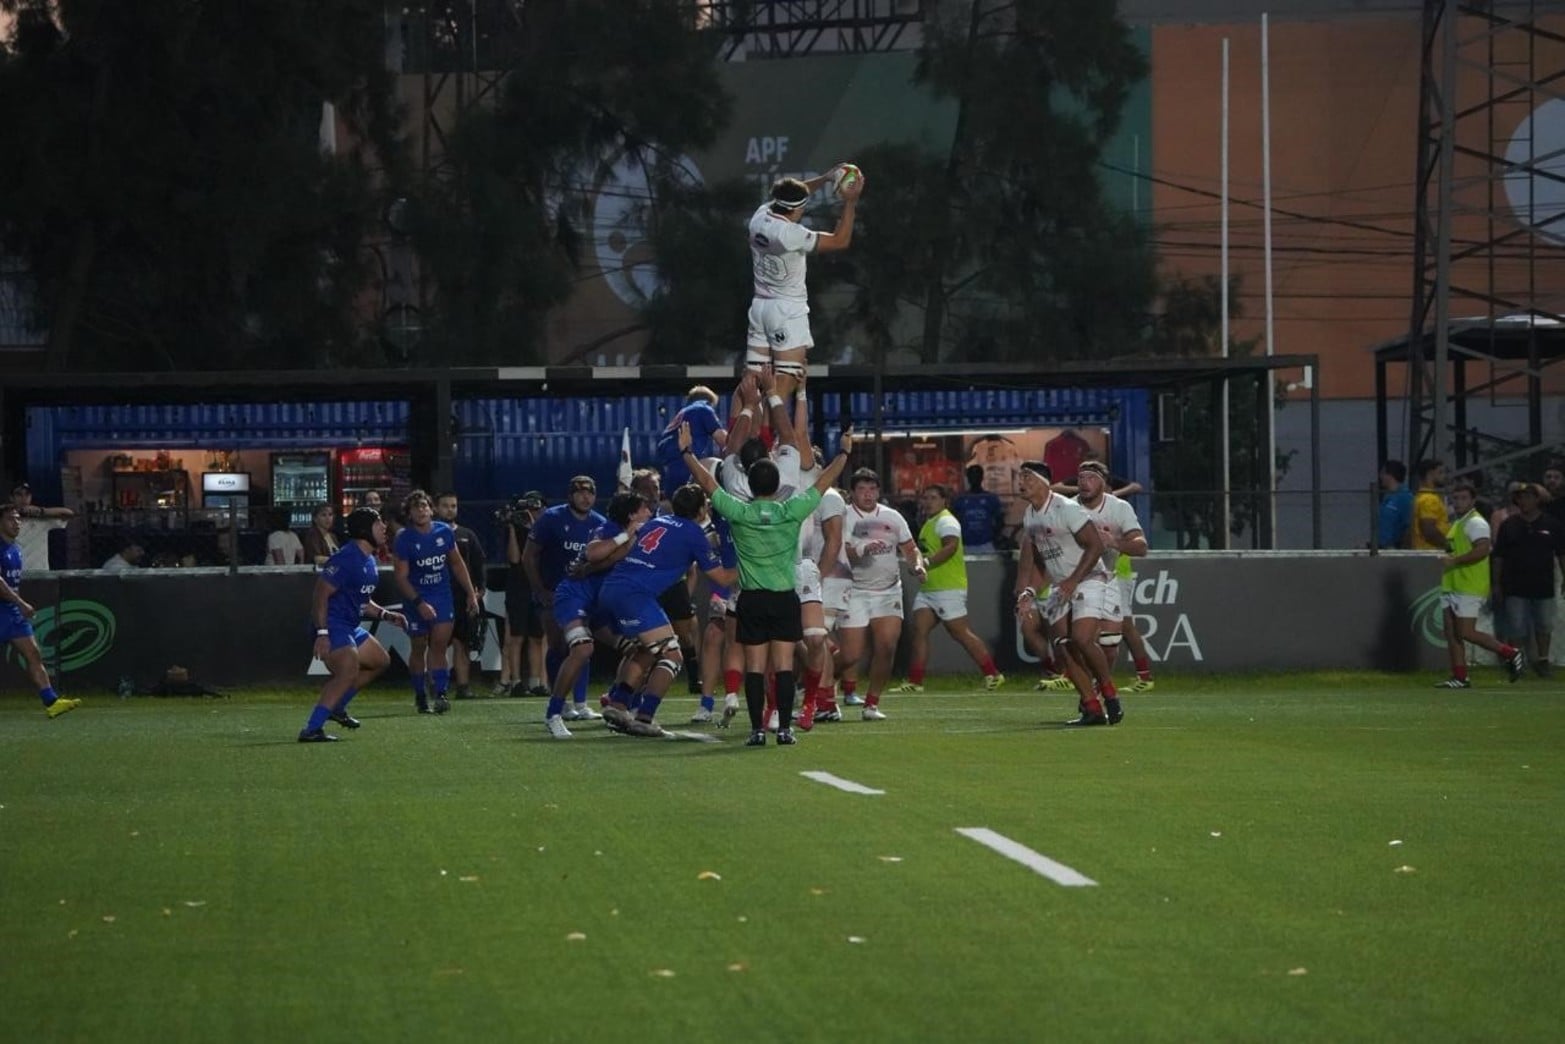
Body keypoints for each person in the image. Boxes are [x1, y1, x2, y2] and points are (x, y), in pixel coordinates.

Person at [681, 422, 853, 746]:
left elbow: (707, 483)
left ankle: (758, 730)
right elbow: (824, 480)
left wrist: (687, 452)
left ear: (750, 484)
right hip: (784, 598)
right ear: (776, 486)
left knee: (756, 669)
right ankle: (785, 730)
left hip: (751, 600)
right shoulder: (791, 511)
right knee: (784, 666)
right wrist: (843, 452)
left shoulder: (740, 512)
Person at [596, 483, 738, 737]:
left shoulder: (656, 522)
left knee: (647, 649)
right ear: (701, 509)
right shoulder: (694, 533)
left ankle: (618, 704)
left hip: (613, 587)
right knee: (673, 655)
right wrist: (751, 561)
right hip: (636, 594)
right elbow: (722, 578)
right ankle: (645, 717)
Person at [1012, 460, 1121, 726]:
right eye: (1020, 477)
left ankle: (1109, 693)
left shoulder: (1067, 508)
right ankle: (1092, 708)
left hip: (1089, 578)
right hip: (1063, 584)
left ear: (1043, 482)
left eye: (1027, 476)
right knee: (1063, 646)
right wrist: (1028, 590)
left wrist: (1073, 579)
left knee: (1082, 639)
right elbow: (1041, 560)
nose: (1021, 482)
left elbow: (1095, 546)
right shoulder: (1030, 515)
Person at [743, 166, 863, 400]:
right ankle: (768, 436)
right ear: (796, 209)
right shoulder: (790, 234)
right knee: (784, 381)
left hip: (760, 307)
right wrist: (850, 202)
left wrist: (827, 178)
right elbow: (840, 241)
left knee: (752, 379)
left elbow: (796, 195)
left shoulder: (760, 216)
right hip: (786, 311)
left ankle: (743, 432)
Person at [542, 491, 650, 739]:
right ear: (632, 514)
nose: (649, 512)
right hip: (574, 596)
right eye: (644, 508)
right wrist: (627, 534)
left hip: (601, 602)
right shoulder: (610, 528)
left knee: (640, 648)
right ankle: (554, 713)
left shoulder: (640, 534)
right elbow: (593, 553)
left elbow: (609, 561)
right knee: (582, 649)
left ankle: (619, 705)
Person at [298, 508, 407, 742]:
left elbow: (362, 601)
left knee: (380, 661)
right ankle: (312, 729)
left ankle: (337, 707)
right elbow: (320, 595)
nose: (384, 528)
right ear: (364, 530)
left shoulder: (368, 559)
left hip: (348, 625)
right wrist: (323, 632)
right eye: (379, 524)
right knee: (347, 672)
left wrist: (386, 615)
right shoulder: (346, 558)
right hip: (333, 624)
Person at [891, 484, 1005, 694]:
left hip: (948, 588)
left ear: (945, 501)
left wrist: (926, 563)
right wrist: (918, 566)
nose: (928, 501)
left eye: (933, 497)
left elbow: (950, 547)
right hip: (929, 589)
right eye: (925, 497)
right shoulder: (930, 522)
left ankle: (994, 674)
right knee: (919, 631)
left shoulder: (946, 520)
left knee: (960, 633)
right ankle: (915, 682)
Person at [837, 467, 926, 721]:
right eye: (862, 489)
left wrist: (917, 565)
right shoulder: (844, 517)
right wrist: (862, 549)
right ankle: (818, 686)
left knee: (886, 646)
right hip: (855, 590)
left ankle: (872, 703)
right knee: (851, 654)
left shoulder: (892, 516)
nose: (868, 494)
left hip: (888, 591)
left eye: (872, 489)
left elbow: (910, 548)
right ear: (853, 492)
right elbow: (842, 551)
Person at [522, 476, 607, 721]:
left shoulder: (599, 523)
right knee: (558, 644)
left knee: (582, 644)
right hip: (553, 592)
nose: (585, 497)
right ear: (570, 495)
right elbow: (529, 556)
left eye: (590, 492)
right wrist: (539, 589)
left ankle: (581, 703)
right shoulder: (551, 519)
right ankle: (560, 700)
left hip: (583, 594)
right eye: (579, 492)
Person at [393, 490, 481, 715]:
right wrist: (419, 602)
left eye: (424, 506)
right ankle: (420, 694)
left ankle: (440, 693)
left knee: (440, 644)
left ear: (431, 509)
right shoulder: (404, 538)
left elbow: (457, 564)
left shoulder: (443, 532)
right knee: (419, 645)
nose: (421, 511)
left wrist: (471, 593)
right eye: (416, 508)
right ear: (410, 514)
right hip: (416, 597)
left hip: (441, 595)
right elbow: (401, 577)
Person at [1435, 480, 1524, 688]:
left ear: (1473, 500)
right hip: (1452, 584)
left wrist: (1455, 561)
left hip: (1469, 585)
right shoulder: (1458, 523)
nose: (1458, 502)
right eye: (1454, 498)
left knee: (1466, 632)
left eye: (1463, 498)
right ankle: (1459, 677)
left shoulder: (1476, 523)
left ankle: (1511, 653)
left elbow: (1483, 549)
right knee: (1451, 633)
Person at [0, 505, 81, 719]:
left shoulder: (15, 549)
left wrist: (17, 605)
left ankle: (51, 701)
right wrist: (21, 603)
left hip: (12, 613)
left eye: (18, 519)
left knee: (34, 654)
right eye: (10, 519)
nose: (16, 523)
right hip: (6, 609)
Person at [1492, 481, 1565, 678]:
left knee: (1544, 625)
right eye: (1520, 497)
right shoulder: (1509, 525)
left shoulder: (1552, 524)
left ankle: (1542, 660)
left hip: (1543, 584)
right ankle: (1517, 662)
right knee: (1515, 626)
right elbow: (1499, 556)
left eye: (1527, 497)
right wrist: (1497, 583)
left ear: (1536, 500)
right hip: (1515, 585)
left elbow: (1561, 554)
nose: (1523, 501)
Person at [435, 491, 488, 700]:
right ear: (436, 508)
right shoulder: (430, 534)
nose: (450, 509)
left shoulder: (467, 534)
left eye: (454, 506)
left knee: (462, 642)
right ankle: (437, 685)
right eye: (446, 505)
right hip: (439, 595)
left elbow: (478, 563)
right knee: (438, 643)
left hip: (463, 596)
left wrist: (479, 589)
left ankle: (463, 686)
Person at [501, 492, 549, 697]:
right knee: (516, 635)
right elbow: (514, 559)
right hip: (518, 586)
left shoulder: (547, 530)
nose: (533, 513)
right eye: (530, 509)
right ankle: (516, 681)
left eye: (537, 509)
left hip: (537, 585)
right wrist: (512, 527)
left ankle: (537, 681)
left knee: (537, 636)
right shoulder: (517, 530)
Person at [656, 386, 729, 491]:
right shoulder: (703, 408)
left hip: (668, 469)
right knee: (717, 467)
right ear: (709, 402)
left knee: (672, 502)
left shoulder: (682, 415)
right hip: (685, 464)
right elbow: (724, 440)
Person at [951, 465, 1004, 554]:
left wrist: (994, 537)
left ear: (982, 477)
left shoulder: (990, 498)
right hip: (965, 545)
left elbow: (1000, 521)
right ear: (968, 478)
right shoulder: (960, 499)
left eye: (977, 475)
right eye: (972, 475)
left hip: (986, 544)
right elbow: (953, 521)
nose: (975, 478)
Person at [1411, 460, 1448, 551]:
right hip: (1431, 551)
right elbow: (1429, 531)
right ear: (1431, 474)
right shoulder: (1429, 499)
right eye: (1440, 472)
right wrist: (1449, 546)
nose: (1444, 476)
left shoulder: (1419, 496)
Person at [1377, 460, 1413, 549]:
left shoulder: (1405, 497)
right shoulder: (1387, 497)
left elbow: (1409, 524)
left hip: (1394, 548)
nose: (1380, 477)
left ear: (1390, 475)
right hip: (1382, 547)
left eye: (1383, 473)